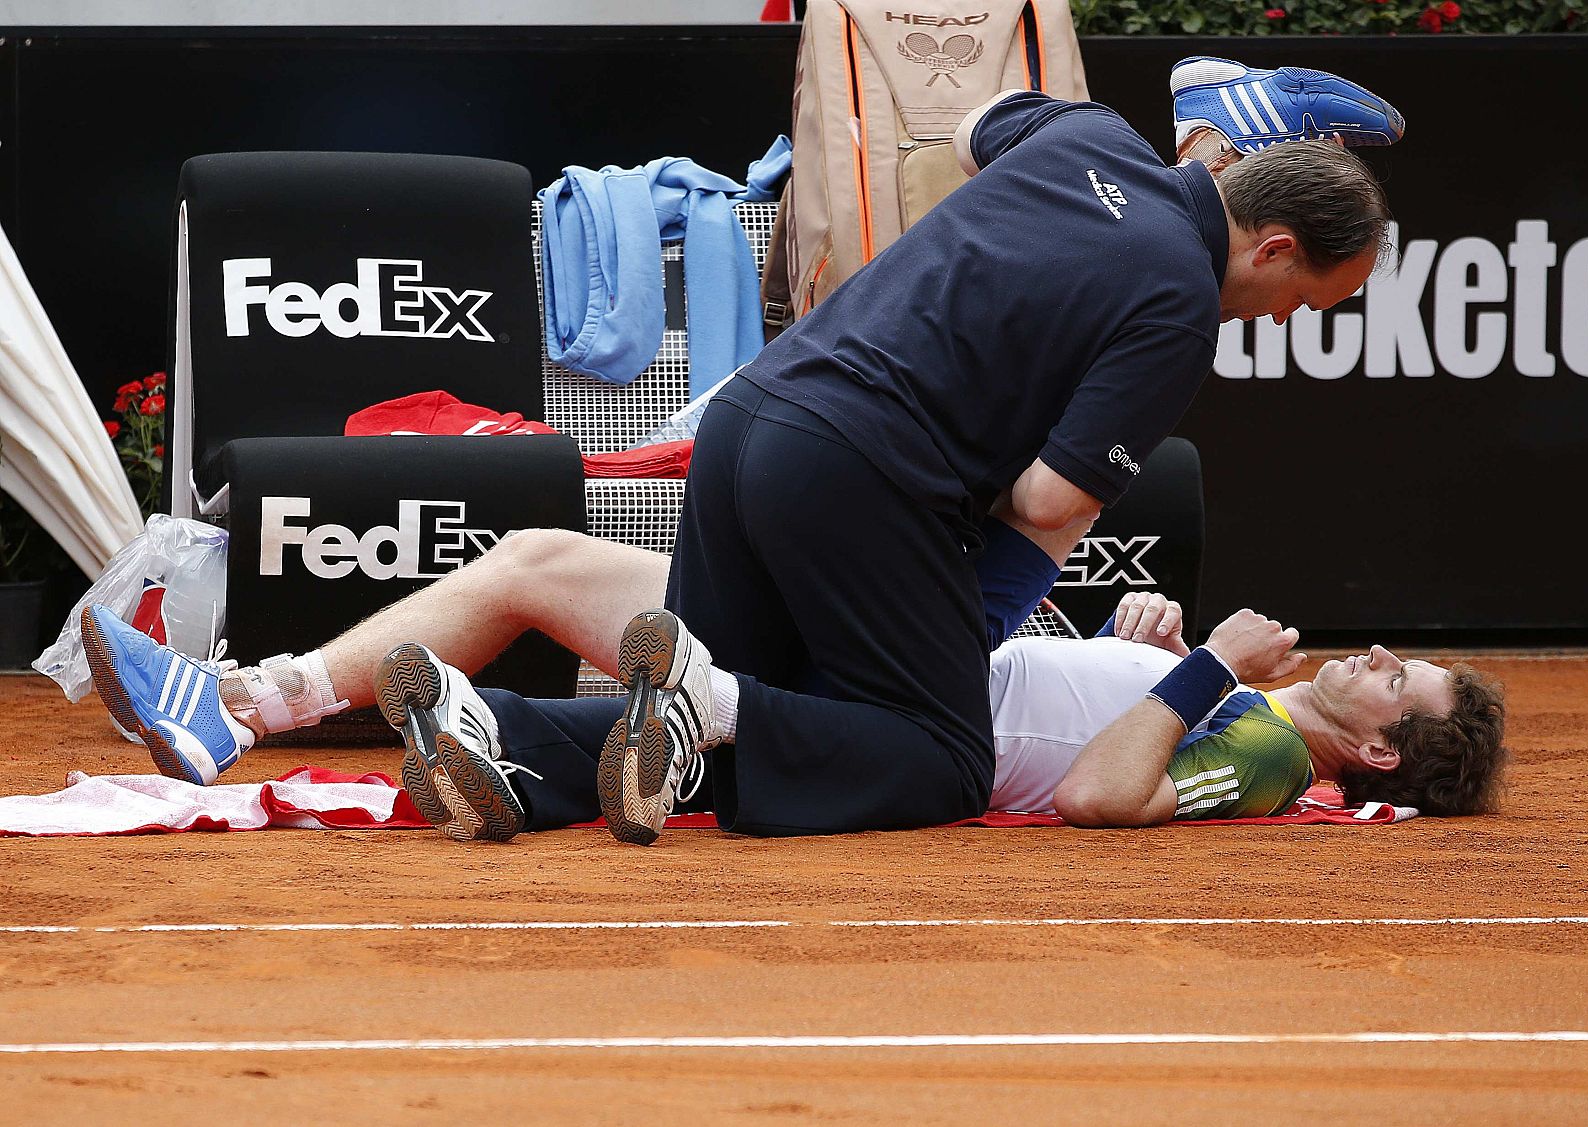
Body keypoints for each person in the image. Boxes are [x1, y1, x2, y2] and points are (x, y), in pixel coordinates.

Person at [83, 59, 1413, 844]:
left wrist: (1207, 124)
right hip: (867, 475)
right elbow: (1050, 503)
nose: (1288, 321)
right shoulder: (1179, 306)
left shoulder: (1085, 138)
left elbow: (973, 129)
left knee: (731, 716)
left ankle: (439, 727)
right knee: (934, 756)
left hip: (751, 422)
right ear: (1272, 246)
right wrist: (975, 595)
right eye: (1310, 298)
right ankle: (706, 704)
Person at [78, 524, 1506, 838]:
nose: (1380, 657)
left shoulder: (1271, 755)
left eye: (1405, 684)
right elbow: (1079, 711)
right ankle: (457, 741)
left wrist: (1194, 673)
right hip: (893, 667)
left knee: (540, 573)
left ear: (1381, 754)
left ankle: (253, 707)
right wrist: (1152, 653)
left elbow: (1093, 793)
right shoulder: (1237, 710)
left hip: (876, 693)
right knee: (539, 586)